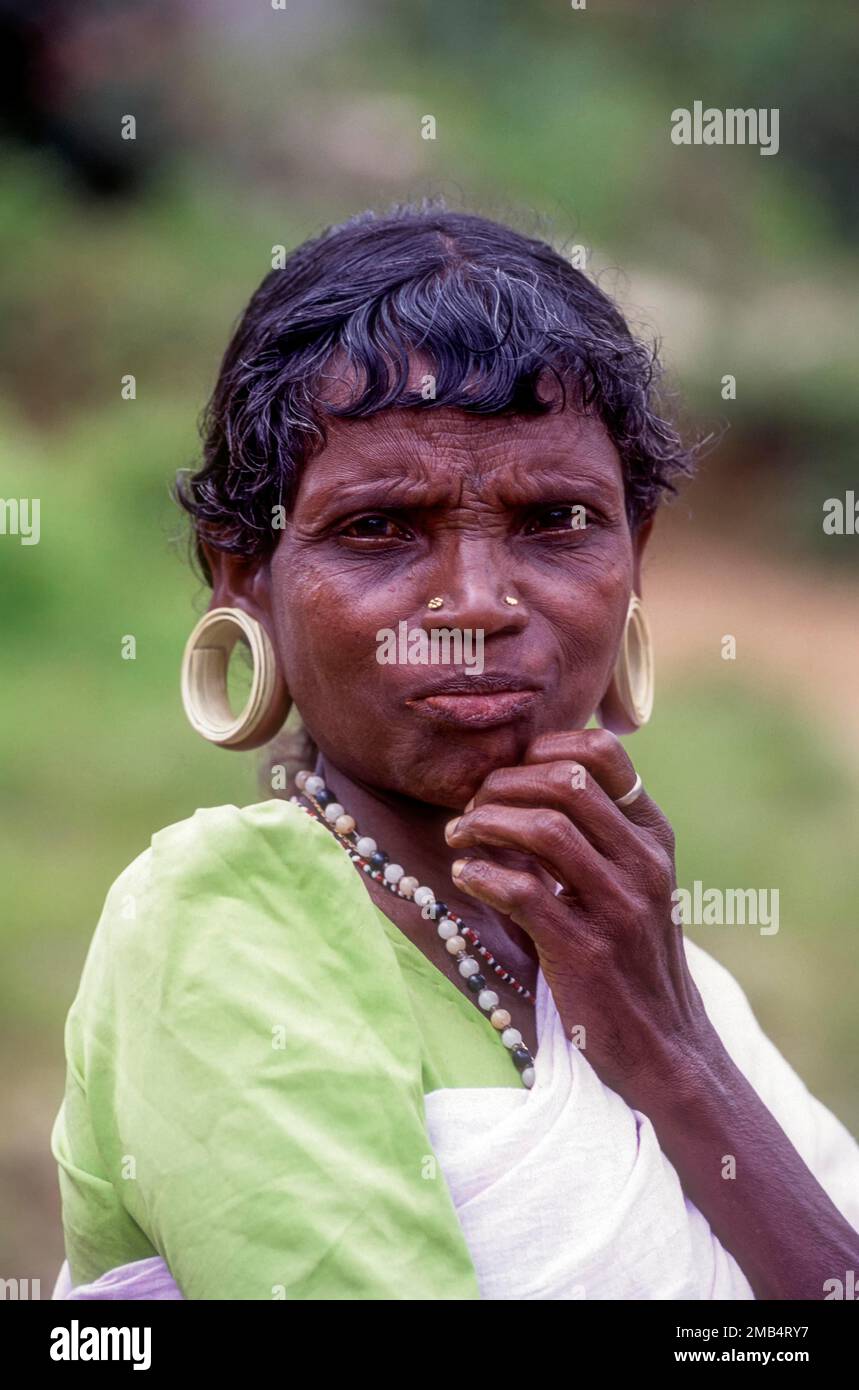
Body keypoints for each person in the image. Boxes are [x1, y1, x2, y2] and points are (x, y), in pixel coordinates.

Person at [50, 203, 859, 1300]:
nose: (476, 604)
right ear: (242, 571)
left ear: (637, 551)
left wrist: (671, 1047)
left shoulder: (647, 961)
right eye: (379, 528)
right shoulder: (221, 920)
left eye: (557, 520)